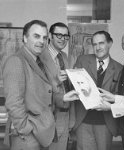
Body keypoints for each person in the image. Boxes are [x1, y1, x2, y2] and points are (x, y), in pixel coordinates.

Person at [3, 20, 77, 150]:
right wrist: (26, 129)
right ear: (25, 38)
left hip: (41, 131)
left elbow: (45, 93)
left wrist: (63, 97)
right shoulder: (16, 61)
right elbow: (13, 103)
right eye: (36, 36)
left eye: (44, 37)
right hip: (27, 136)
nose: (41, 41)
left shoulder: (38, 61)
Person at [73, 30, 122, 150]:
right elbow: (72, 84)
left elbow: (119, 96)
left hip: (105, 123)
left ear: (110, 43)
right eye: (94, 44)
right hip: (83, 120)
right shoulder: (82, 60)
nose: (98, 47)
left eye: (101, 43)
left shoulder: (119, 68)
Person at [40, 22, 75, 150]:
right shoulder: (40, 57)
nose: (62, 39)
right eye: (58, 35)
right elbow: (37, 89)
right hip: (50, 115)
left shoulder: (64, 57)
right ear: (50, 35)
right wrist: (56, 81)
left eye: (66, 36)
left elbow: (67, 86)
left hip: (65, 114)